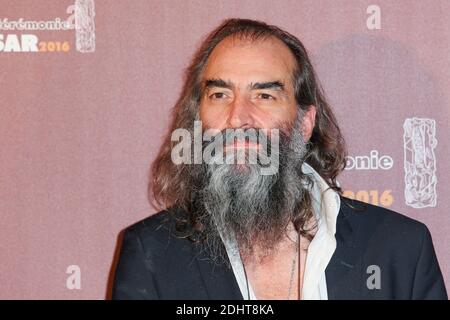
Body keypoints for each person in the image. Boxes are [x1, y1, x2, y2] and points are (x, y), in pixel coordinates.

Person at [111, 18, 447, 300]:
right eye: (220, 94)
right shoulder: (151, 254)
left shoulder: (399, 251)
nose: (238, 117)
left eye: (264, 95)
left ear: (304, 122)